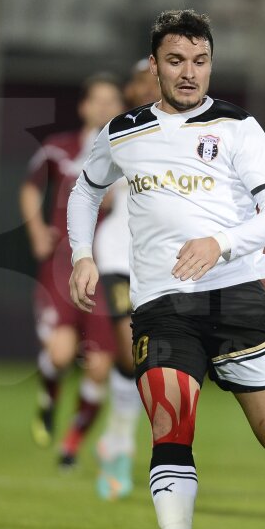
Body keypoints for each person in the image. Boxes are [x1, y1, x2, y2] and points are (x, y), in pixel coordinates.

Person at [67, 9, 265, 529]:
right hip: (160, 303)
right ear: (154, 65)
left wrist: (220, 242)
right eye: (176, 61)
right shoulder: (123, 131)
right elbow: (85, 189)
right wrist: (83, 253)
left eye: (200, 61)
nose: (189, 73)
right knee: (170, 426)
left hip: (236, 300)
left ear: (211, 64)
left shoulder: (238, 127)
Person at [20, 73, 122, 467]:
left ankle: (73, 441)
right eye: (97, 100)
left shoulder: (130, 155)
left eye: (111, 101)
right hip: (62, 265)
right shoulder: (58, 149)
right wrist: (35, 231)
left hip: (109, 269)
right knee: (60, 354)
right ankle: (48, 398)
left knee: (98, 367)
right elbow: (30, 187)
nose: (103, 107)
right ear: (83, 106)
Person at [91, 60, 162, 500]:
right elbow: (87, 191)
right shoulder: (117, 132)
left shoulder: (192, 132)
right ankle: (120, 443)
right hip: (117, 252)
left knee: (143, 357)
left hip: (158, 261)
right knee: (127, 341)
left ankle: (117, 434)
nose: (149, 85)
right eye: (143, 78)